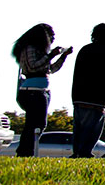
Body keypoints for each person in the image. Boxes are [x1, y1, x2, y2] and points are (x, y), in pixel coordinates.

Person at [12, 23, 72, 157]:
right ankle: (25, 152)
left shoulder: (39, 51)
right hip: (32, 90)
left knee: (37, 123)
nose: (52, 39)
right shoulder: (29, 48)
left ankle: (25, 151)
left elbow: (51, 69)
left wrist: (63, 56)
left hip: (41, 90)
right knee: (35, 123)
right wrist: (51, 55)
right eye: (51, 36)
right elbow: (33, 67)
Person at [71, 23, 105, 158]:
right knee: (92, 131)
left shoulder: (85, 50)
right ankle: (84, 153)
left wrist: (74, 97)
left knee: (79, 129)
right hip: (99, 100)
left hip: (80, 97)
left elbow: (76, 75)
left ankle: (77, 152)